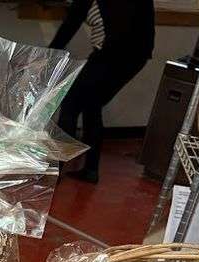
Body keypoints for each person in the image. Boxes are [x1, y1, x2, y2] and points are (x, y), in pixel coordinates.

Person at [51, 0, 156, 183]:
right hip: (137, 56)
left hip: (111, 54)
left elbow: (71, 24)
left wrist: (47, 55)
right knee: (92, 104)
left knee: (70, 104)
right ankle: (90, 170)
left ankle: (54, 171)